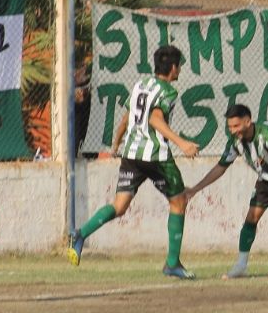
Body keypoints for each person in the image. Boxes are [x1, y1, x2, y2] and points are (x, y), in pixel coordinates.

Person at [67, 45, 200, 279]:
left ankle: (80, 234)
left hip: (131, 154)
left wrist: (116, 143)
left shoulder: (141, 85)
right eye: (179, 66)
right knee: (178, 202)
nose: (179, 70)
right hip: (155, 156)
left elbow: (128, 115)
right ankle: (172, 263)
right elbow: (155, 119)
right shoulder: (168, 91)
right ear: (173, 67)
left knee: (119, 206)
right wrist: (182, 143)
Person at [186, 104, 268, 280]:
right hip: (265, 178)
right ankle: (241, 265)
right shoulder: (235, 142)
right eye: (229, 127)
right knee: (251, 218)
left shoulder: (267, 135)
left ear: (248, 121)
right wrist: (195, 189)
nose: (232, 130)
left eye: (236, 126)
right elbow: (220, 168)